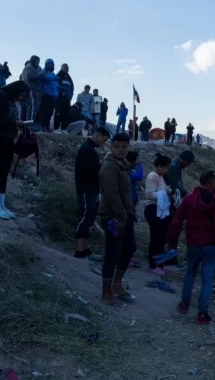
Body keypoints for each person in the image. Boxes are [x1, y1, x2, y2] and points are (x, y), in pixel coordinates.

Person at [167, 170, 215, 325]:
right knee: (207, 280)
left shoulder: (188, 199)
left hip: (193, 244)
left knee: (190, 274)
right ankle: (202, 313)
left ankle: (184, 305)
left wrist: (170, 240)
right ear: (211, 182)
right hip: (210, 246)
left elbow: (177, 220)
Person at [0, 81, 29, 220]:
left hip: (7, 139)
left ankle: (1, 205)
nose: (21, 98)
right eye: (21, 94)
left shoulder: (10, 101)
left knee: (4, 172)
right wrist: (14, 122)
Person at [98, 132, 136, 304]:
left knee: (129, 248)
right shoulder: (109, 167)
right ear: (111, 146)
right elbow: (112, 195)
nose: (120, 149)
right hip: (113, 216)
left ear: (128, 148)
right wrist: (122, 216)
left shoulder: (122, 164)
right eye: (117, 146)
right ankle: (106, 292)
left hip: (125, 215)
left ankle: (117, 283)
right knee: (112, 253)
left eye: (124, 146)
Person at [75, 127, 110, 258]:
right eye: (103, 140)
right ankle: (79, 250)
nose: (103, 143)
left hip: (91, 189)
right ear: (97, 136)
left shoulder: (90, 149)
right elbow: (88, 172)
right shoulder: (86, 150)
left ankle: (85, 248)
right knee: (84, 218)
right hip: (86, 189)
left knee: (89, 218)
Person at [143, 154, 174, 273]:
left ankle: (160, 263)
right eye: (166, 168)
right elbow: (149, 195)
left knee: (162, 238)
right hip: (153, 209)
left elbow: (163, 190)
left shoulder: (160, 177)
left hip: (161, 210)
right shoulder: (153, 176)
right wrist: (164, 194)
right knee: (156, 237)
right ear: (159, 167)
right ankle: (152, 265)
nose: (167, 170)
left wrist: (168, 191)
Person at [35, 59, 59, 130]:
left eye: (52, 64)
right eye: (49, 64)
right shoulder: (44, 71)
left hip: (53, 96)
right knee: (44, 112)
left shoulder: (53, 74)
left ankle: (46, 126)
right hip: (46, 95)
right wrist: (54, 78)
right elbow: (43, 77)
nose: (50, 65)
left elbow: (55, 83)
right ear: (46, 64)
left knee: (50, 113)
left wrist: (59, 89)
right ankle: (41, 126)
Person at [20, 55, 41, 120]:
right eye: (36, 61)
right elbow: (29, 78)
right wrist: (39, 74)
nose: (38, 62)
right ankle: (29, 123)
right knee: (31, 107)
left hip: (36, 90)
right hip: (30, 89)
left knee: (35, 108)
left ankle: (31, 122)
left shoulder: (36, 69)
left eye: (38, 61)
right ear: (33, 60)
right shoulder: (28, 68)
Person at [54, 63, 74, 131]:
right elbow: (55, 85)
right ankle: (56, 128)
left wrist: (71, 95)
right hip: (60, 98)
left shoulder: (69, 78)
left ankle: (64, 129)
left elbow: (72, 87)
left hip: (67, 99)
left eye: (67, 68)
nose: (66, 69)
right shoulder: (58, 75)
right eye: (65, 68)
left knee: (66, 115)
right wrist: (60, 93)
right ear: (61, 68)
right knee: (58, 113)